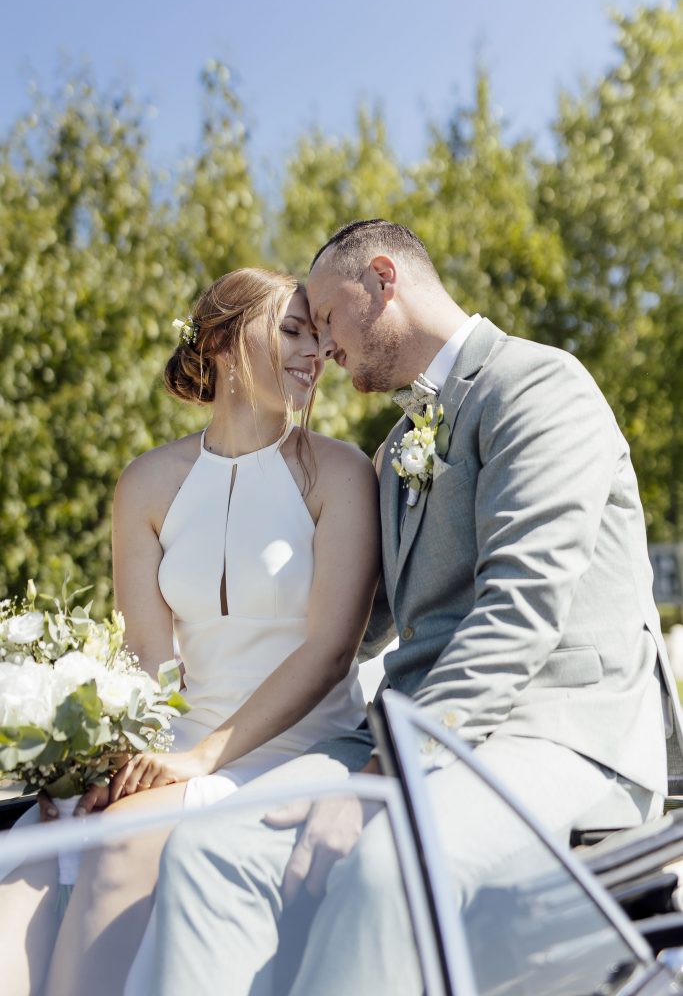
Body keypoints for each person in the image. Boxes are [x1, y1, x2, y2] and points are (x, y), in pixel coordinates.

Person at [147, 220, 683, 995]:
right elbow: (352, 627)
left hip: (555, 729)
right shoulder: (395, 447)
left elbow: (518, 613)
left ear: (381, 279)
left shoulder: (539, 385)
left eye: (325, 318)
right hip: (405, 730)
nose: (323, 347)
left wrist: (387, 774)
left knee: (386, 866)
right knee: (209, 849)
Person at [1, 267, 380, 996]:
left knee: (116, 851)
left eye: (318, 336)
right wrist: (104, 765)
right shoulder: (145, 483)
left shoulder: (339, 474)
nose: (315, 353)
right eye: (292, 331)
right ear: (223, 344)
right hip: (179, 749)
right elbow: (147, 663)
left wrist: (200, 759)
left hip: (295, 750)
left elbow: (331, 650)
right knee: (37, 853)